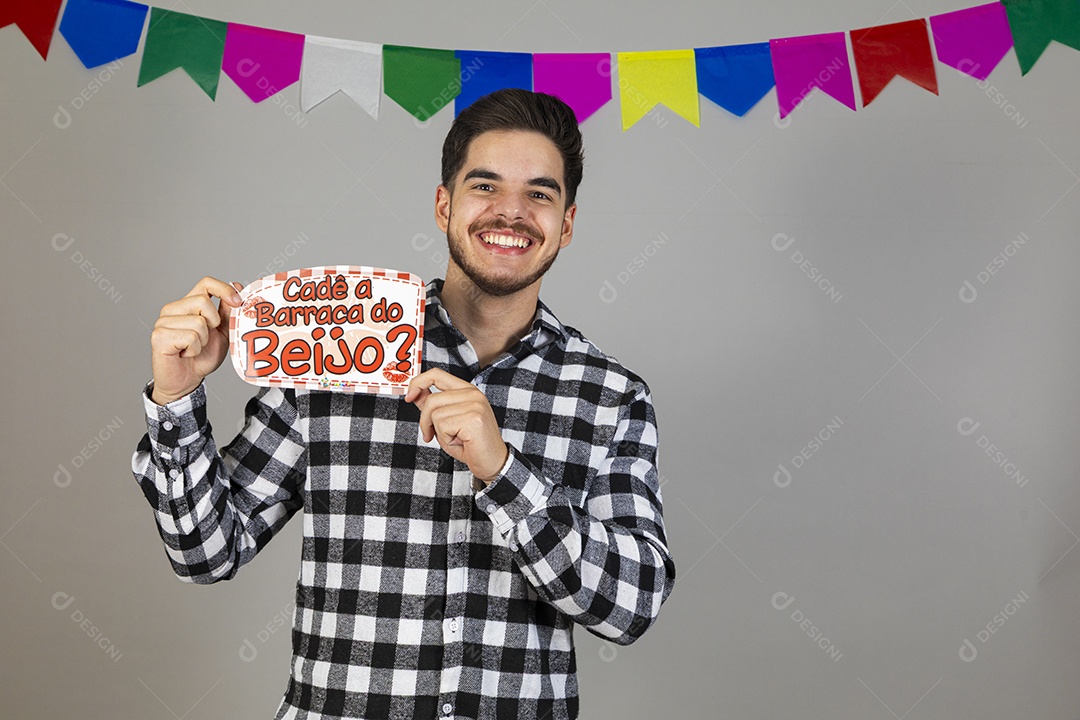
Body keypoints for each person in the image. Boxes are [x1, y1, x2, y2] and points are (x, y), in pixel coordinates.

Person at [132, 88, 675, 720]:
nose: (510, 212)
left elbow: (632, 608)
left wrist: (504, 473)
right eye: (485, 186)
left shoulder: (609, 396)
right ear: (444, 204)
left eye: (539, 194)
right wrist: (176, 396)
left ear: (567, 224)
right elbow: (205, 551)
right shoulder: (332, 348)